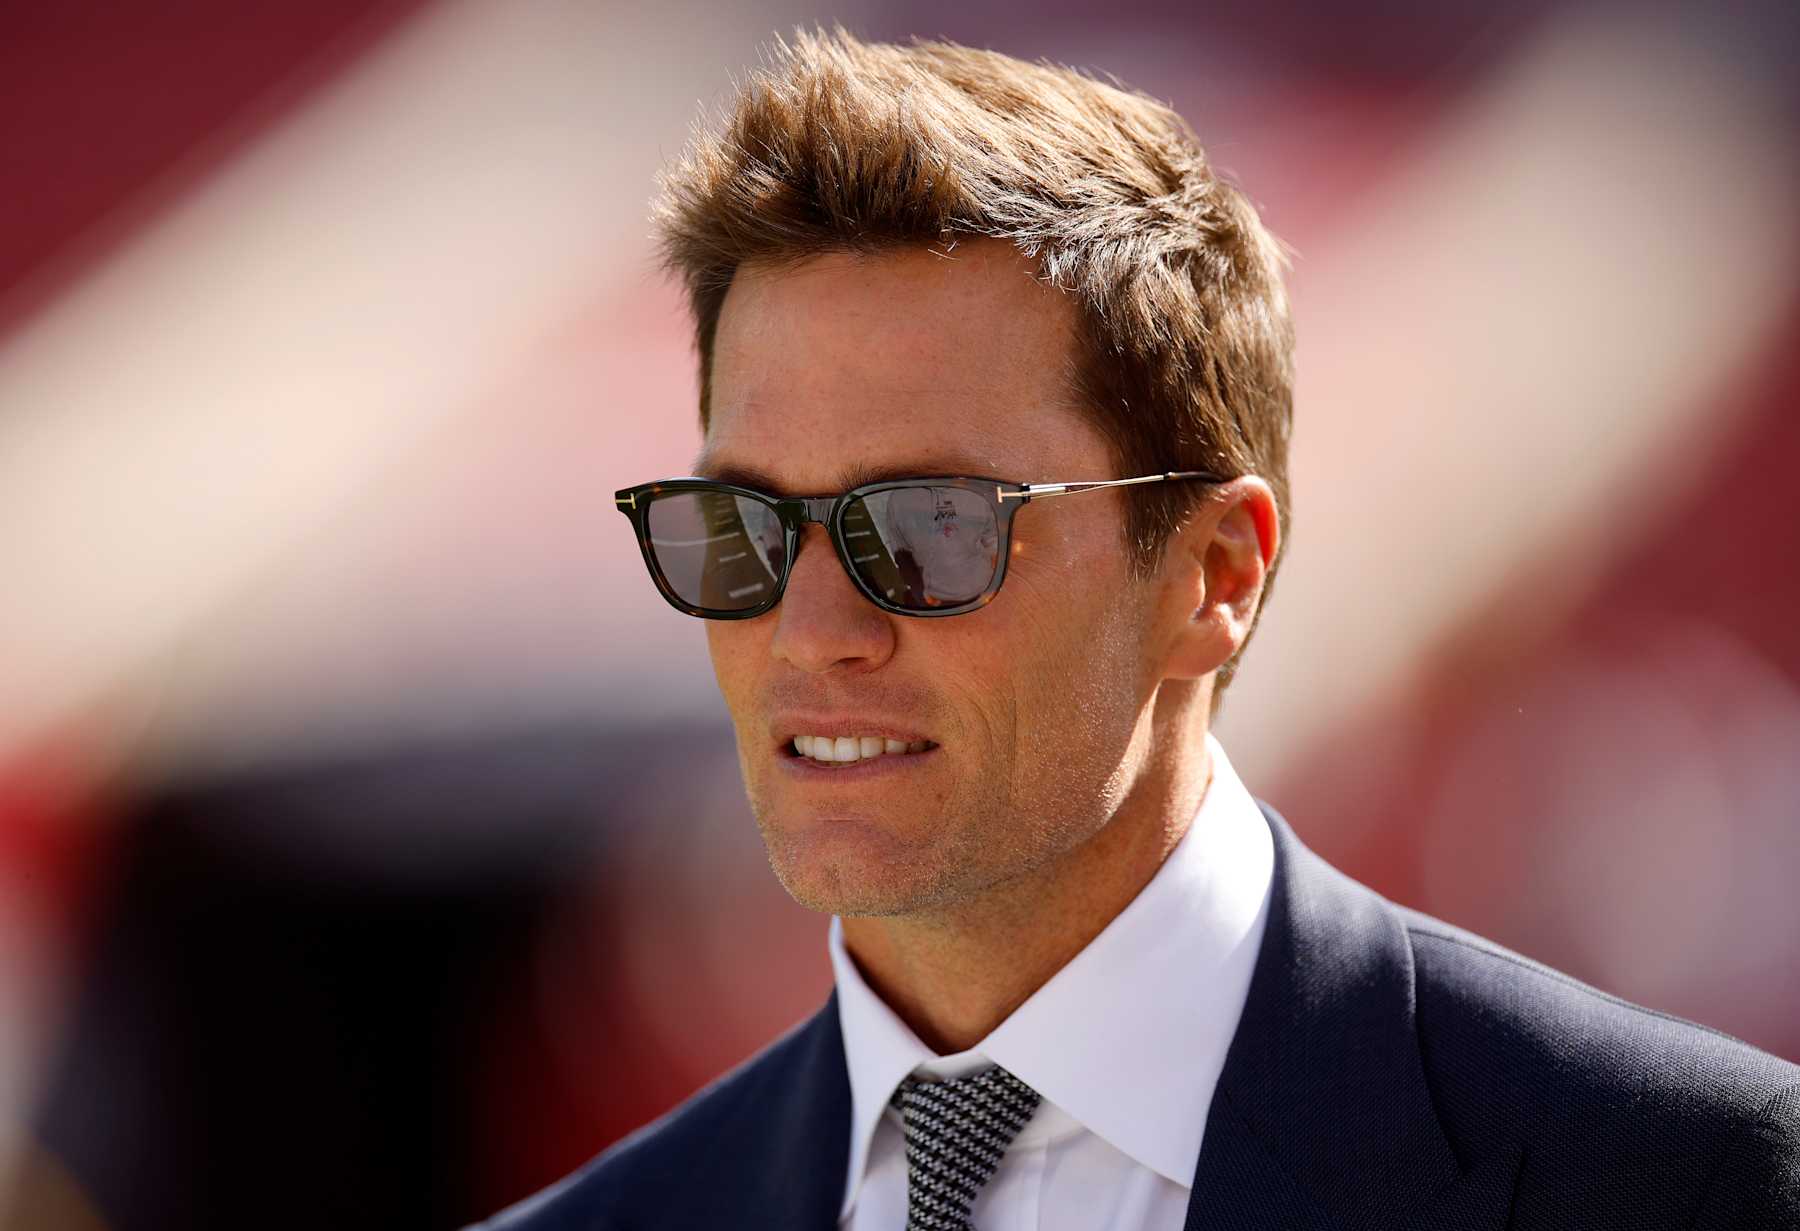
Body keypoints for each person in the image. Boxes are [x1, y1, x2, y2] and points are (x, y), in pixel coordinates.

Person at [476, 30, 1800, 1230]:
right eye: (746, 530)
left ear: (1217, 574)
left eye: (931, 528)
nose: (811, 630)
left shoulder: (1677, 1180)